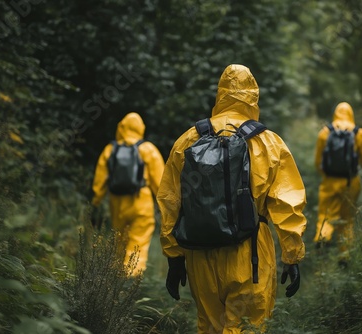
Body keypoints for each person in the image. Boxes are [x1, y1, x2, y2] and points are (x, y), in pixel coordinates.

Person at [157, 64, 307, 333]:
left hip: (200, 252)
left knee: (211, 326)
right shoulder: (268, 143)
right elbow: (287, 204)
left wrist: (174, 258)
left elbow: (170, 202)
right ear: (253, 96)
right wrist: (292, 256)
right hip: (249, 255)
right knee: (248, 326)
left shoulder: (188, 139)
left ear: (220, 94)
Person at [91, 112, 165, 276]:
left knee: (119, 242)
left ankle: (114, 278)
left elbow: (100, 181)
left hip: (117, 203)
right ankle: (131, 279)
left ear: (121, 127)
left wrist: (95, 202)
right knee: (138, 243)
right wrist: (167, 207)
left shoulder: (110, 149)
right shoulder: (148, 149)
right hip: (141, 203)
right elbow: (160, 183)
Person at [313, 102, 362, 265]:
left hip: (329, 182)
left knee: (325, 215)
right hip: (350, 182)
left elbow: (318, 161)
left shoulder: (325, 133)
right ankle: (344, 256)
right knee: (347, 220)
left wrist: (327, 176)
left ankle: (323, 237)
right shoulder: (359, 134)